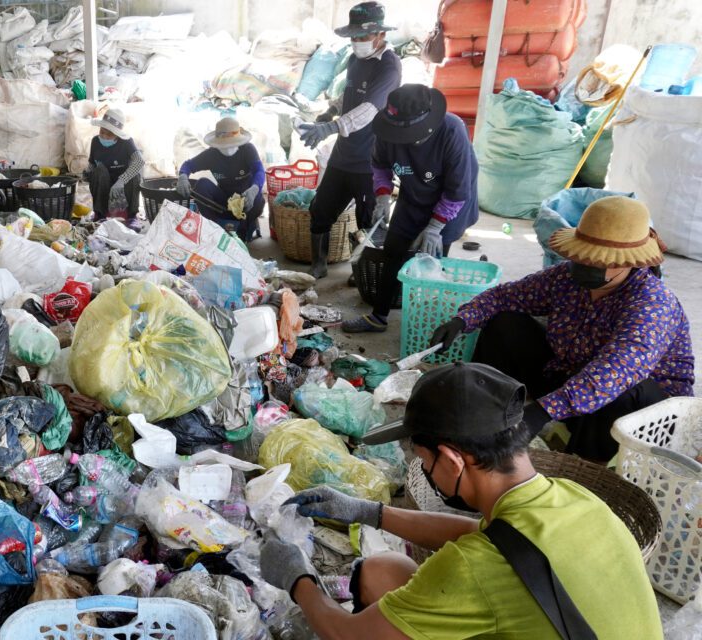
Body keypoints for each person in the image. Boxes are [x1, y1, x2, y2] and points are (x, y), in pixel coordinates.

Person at [260, 362, 663, 640]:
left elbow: (347, 634)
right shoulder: (574, 497)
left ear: (453, 460)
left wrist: (299, 580)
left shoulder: (474, 568)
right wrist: (367, 512)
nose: (424, 469)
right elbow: (487, 536)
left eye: (423, 459)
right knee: (385, 571)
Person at [430, 196, 694, 462]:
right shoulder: (565, 278)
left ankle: (585, 463)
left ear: (629, 262)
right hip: (570, 375)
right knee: (506, 323)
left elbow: (614, 372)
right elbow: (504, 296)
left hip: (641, 414)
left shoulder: (652, 303)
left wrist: (541, 412)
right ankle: (486, 413)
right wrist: (462, 320)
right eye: (583, 256)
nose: (584, 265)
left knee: (622, 389)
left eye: (598, 261)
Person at [344, 84, 479, 333]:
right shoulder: (387, 129)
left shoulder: (452, 130)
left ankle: (428, 328)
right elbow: (380, 166)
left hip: (451, 202)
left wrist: (435, 226)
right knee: (393, 251)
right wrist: (383, 196)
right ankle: (378, 317)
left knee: (432, 260)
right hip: (413, 195)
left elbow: (457, 190)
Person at [300, 2, 401, 278]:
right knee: (321, 210)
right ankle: (318, 264)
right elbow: (351, 94)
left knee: (369, 220)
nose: (357, 42)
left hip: (371, 160)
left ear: (380, 34)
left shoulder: (389, 66)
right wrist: (331, 111)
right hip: (343, 155)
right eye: (353, 37)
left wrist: (332, 127)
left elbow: (370, 108)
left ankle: (364, 271)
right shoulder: (356, 59)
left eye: (363, 37)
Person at [175, 117, 264, 242]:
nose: (228, 148)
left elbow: (259, 170)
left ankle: (245, 228)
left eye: (232, 144)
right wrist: (183, 176)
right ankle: (216, 226)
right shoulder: (211, 155)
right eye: (224, 145)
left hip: (247, 201)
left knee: (259, 196)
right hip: (224, 202)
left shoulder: (248, 150)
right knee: (202, 185)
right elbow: (188, 165)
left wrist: (254, 189)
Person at [86, 108, 143, 222]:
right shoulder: (95, 142)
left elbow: (139, 161)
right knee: (99, 170)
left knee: (136, 175)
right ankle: (100, 215)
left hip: (123, 188)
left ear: (117, 134)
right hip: (104, 189)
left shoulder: (126, 142)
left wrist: (121, 181)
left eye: (109, 134)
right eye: (102, 132)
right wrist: (87, 173)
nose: (104, 137)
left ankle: (132, 216)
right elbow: (92, 164)